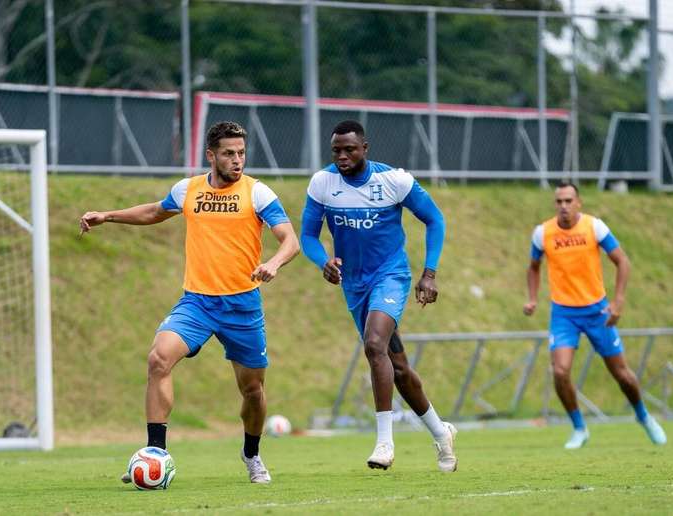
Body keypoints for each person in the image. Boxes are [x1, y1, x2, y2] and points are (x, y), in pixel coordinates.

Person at [79, 121, 300, 484]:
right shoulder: (189, 190)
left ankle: (252, 453)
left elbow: (289, 239)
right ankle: (155, 453)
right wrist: (108, 216)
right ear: (211, 155)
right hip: (197, 302)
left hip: (242, 306)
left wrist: (273, 263)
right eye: (229, 154)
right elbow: (154, 211)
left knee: (253, 391)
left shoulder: (258, 194)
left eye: (241, 153)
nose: (237, 160)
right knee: (158, 357)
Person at [300, 120, 457, 472]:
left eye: (349, 149)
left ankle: (384, 442)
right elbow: (308, 235)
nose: (342, 156)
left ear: (365, 148)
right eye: (336, 150)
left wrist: (429, 274)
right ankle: (441, 432)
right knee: (397, 367)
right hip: (353, 284)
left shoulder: (394, 181)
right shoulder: (323, 183)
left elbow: (435, 219)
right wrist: (323, 260)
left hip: (390, 275)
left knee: (374, 344)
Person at [524, 181, 666, 449]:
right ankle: (579, 428)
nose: (564, 206)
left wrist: (618, 302)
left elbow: (622, 261)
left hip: (597, 311)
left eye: (569, 201)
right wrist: (532, 298)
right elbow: (533, 267)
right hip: (563, 313)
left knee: (622, 375)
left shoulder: (594, 227)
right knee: (560, 371)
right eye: (559, 201)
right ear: (555, 204)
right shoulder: (542, 233)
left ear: (579, 203)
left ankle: (644, 417)